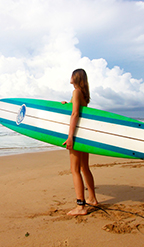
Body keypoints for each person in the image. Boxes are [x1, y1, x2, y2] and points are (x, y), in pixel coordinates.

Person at [62, 69, 99, 216]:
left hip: (76, 135)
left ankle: (80, 206)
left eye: (71, 75)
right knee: (85, 168)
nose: (69, 77)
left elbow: (75, 114)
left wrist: (70, 137)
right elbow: (75, 109)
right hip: (84, 135)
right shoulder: (82, 94)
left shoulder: (76, 92)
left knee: (75, 169)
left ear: (75, 77)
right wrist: (66, 104)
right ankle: (92, 198)